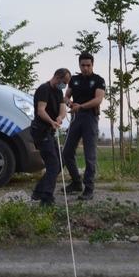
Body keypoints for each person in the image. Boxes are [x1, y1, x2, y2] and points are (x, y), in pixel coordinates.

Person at [62, 52, 106, 201]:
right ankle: (76, 182)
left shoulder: (98, 80)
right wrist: (69, 103)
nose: (85, 68)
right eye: (83, 65)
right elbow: (66, 96)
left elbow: (98, 100)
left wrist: (81, 106)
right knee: (67, 152)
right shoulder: (74, 80)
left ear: (92, 65)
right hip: (75, 117)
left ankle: (89, 188)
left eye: (88, 65)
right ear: (79, 65)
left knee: (89, 155)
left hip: (90, 118)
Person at [30, 68, 71, 206]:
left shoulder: (58, 92)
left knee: (60, 162)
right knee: (53, 163)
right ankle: (46, 198)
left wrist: (60, 118)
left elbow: (62, 108)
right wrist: (51, 121)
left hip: (50, 131)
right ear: (57, 77)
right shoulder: (44, 89)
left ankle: (38, 191)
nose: (64, 85)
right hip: (40, 131)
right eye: (64, 82)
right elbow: (41, 110)